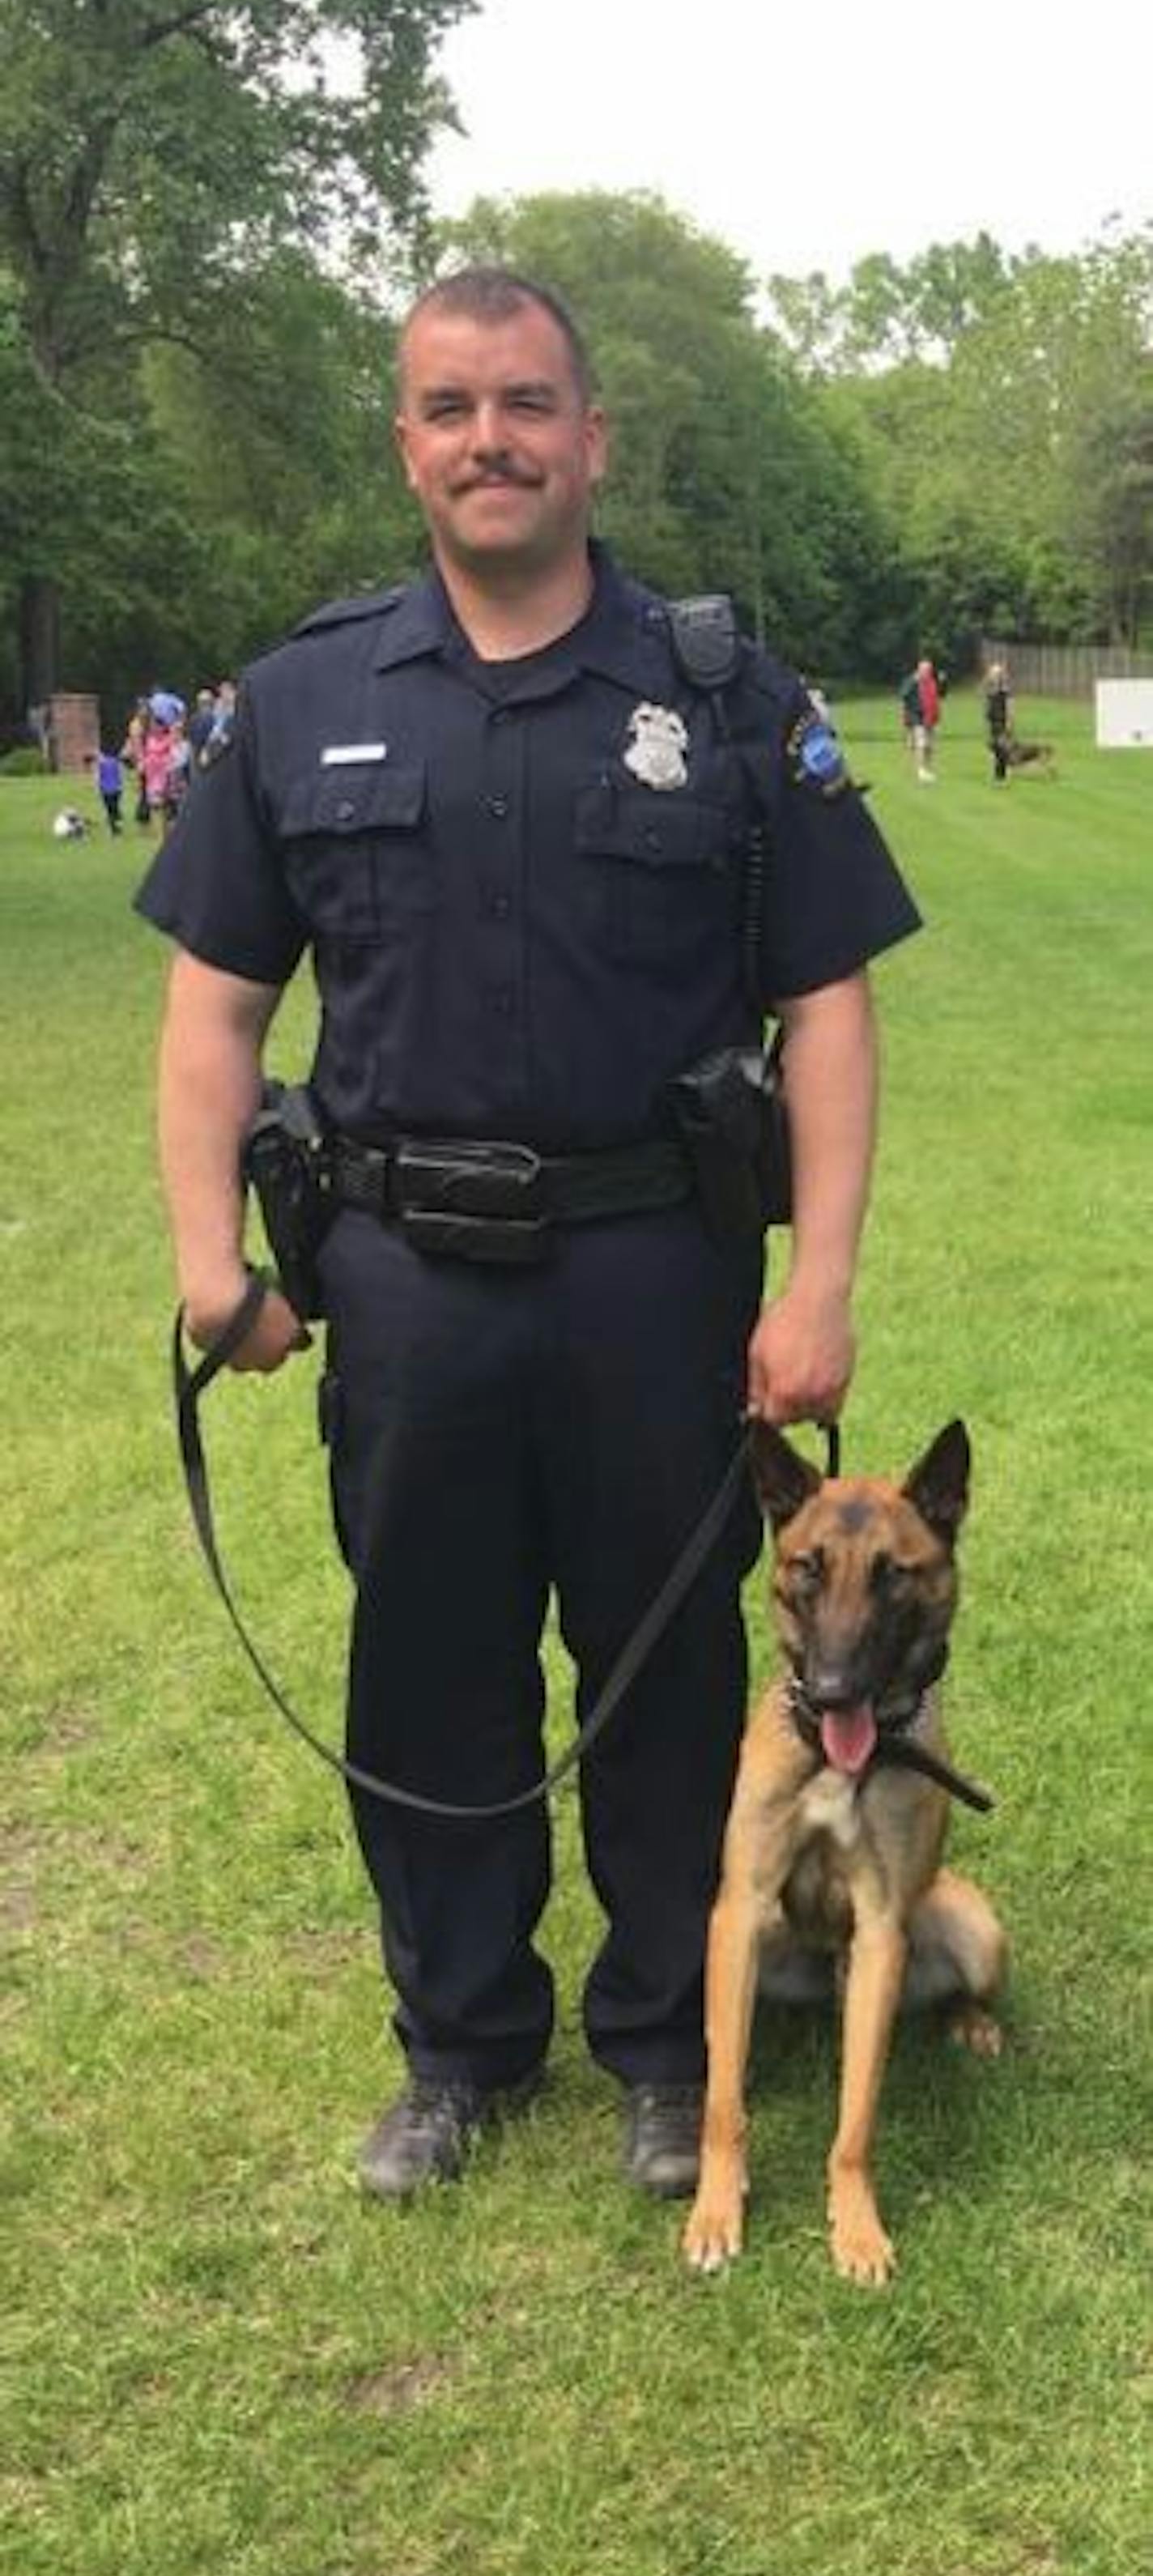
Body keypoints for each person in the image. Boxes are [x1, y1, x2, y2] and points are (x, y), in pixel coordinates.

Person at [137, 266, 921, 2208]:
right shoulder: (302, 696)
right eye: (449, 406)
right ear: (405, 441)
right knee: (426, 1662)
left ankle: (670, 2043)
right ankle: (459, 2042)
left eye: (525, 403)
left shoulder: (724, 695)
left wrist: (815, 1278)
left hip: (657, 1272)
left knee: (653, 1681)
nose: (489, 438)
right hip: (398, 1280)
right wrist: (205, 1260)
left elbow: (822, 999)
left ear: (592, 437)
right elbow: (216, 1004)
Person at [984, 661, 1012, 781]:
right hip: (992, 722)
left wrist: (1010, 722)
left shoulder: (1005, 691)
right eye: (993, 674)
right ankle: (994, 773)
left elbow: (1010, 707)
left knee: (1003, 749)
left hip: (1002, 722)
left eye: (997, 674)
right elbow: (987, 707)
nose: (995, 676)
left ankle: (1004, 774)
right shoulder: (989, 691)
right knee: (993, 748)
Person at [91, 742, 124, 836]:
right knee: (114, 808)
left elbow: (97, 777)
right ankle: (116, 826)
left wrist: (97, 788)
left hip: (106, 790)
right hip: (115, 790)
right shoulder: (116, 762)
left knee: (110, 809)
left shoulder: (101, 764)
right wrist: (121, 787)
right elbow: (121, 775)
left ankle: (114, 827)